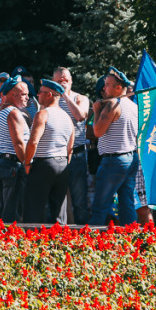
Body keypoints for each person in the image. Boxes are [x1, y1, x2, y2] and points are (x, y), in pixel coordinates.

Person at [88, 68, 139, 226]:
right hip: (130, 158)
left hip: (114, 160)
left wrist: (96, 111)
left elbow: (97, 131)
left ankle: (93, 242)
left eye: (108, 84)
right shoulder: (131, 105)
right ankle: (131, 238)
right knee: (127, 205)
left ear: (118, 88)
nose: (104, 88)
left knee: (100, 206)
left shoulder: (112, 104)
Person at [23, 79, 74, 224]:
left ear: (49, 95)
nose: (38, 95)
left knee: (34, 209)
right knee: (59, 211)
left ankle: (31, 241)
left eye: (41, 93)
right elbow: (70, 146)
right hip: (62, 163)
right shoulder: (67, 117)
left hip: (44, 163)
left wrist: (27, 163)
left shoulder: (43, 114)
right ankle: (60, 241)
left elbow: (33, 142)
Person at [54, 67, 90, 225]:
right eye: (59, 81)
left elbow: (80, 116)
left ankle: (82, 235)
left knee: (79, 201)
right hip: (57, 156)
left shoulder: (80, 98)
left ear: (71, 81)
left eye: (66, 80)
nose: (63, 83)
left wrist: (66, 96)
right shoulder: (51, 100)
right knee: (56, 200)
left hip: (77, 155)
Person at [0, 77, 29, 223]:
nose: (28, 97)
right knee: (12, 210)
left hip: (1, 162)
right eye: (24, 94)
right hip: (12, 164)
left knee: (3, 207)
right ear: (14, 95)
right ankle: (9, 239)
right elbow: (18, 143)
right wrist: (27, 163)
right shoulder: (13, 113)